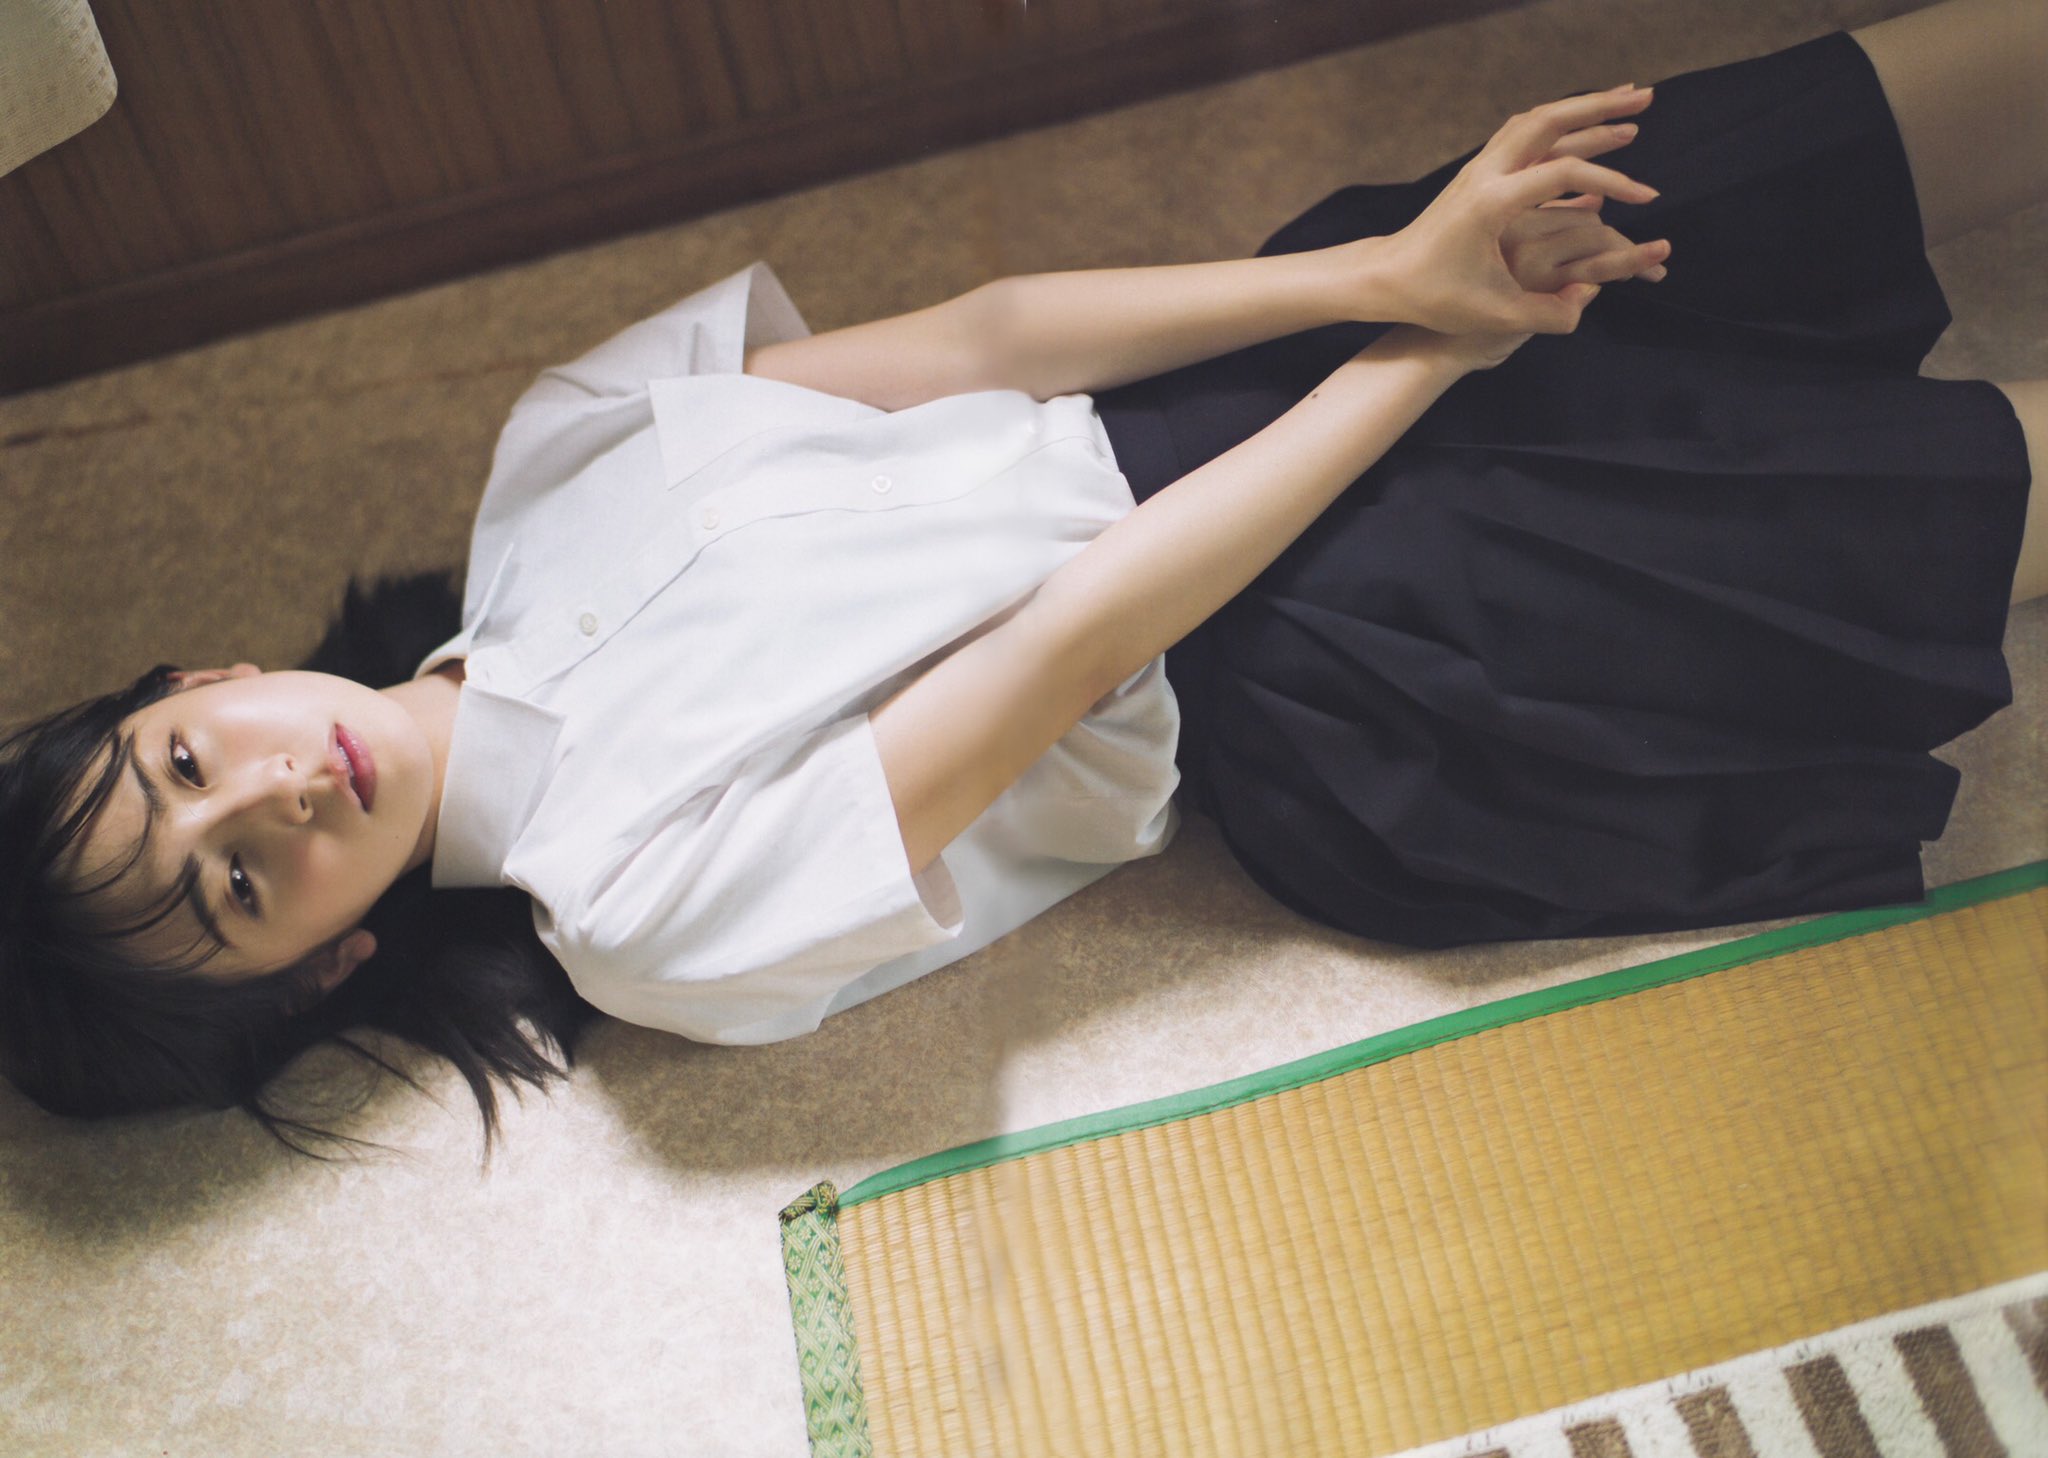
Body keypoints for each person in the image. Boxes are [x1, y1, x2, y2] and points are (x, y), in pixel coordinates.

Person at [1, 0, 2039, 1154]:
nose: (276, 796)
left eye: (187, 769)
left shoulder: (551, 450)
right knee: (1943, 486)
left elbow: (983, 339)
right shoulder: (633, 921)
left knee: (1791, 143)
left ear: (199, 675)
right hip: (1340, 640)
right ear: (331, 967)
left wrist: (1389, 267)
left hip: (1234, 377)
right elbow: (1079, 639)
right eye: (240, 890)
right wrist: (1435, 350)